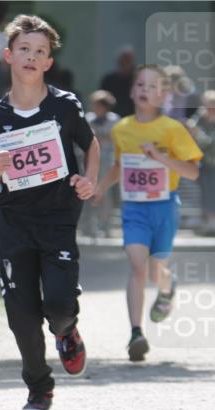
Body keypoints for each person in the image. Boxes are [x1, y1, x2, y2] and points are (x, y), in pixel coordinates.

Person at [0, 15, 100, 410]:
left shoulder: (64, 105)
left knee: (61, 304)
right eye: (25, 50)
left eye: (40, 52)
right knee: (21, 315)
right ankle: (39, 390)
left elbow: (91, 144)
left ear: (49, 62)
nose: (32, 57)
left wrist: (89, 179)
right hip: (15, 223)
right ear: (9, 56)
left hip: (59, 217)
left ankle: (66, 331)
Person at [94, 65, 202, 362]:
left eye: (153, 86)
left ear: (164, 94)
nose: (145, 90)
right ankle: (136, 333)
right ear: (131, 91)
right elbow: (119, 165)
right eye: (140, 84)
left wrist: (162, 158)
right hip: (134, 207)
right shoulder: (121, 128)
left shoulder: (172, 129)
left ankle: (167, 288)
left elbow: (193, 171)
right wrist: (101, 187)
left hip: (165, 206)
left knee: (156, 269)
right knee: (138, 264)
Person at [83, 89, 121, 237]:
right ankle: (89, 226)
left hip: (108, 160)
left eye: (98, 105)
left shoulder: (114, 120)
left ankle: (105, 226)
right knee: (87, 192)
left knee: (105, 193)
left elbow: (116, 140)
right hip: (90, 161)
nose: (95, 108)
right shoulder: (88, 118)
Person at [187, 89, 215, 235]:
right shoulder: (200, 117)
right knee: (206, 193)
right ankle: (210, 223)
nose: (209, 108)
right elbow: (191, 128)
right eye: (208, 105)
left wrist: (197, 133)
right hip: (205, 163)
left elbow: (209, 141)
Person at [100, 47, 136, 117]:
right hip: (111, 119)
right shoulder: (108, 80)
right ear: (118, 61)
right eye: (123, 60)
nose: (125, 63)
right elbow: (102, 99)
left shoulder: (138, 80)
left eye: (128, 60)